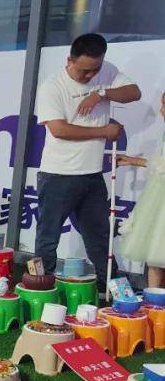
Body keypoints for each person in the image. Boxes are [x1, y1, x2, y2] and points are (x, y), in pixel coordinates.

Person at [34, 32, 141, 290]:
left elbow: (134, 92)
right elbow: (59, 129)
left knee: (100, 237)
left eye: (95, 70)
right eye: (84, 71)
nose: (90, 75)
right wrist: (104, 131)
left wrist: (101, 93)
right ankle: (41, 289)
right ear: (69, 60)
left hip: (92, 175)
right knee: (48, 238)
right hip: (58, 174)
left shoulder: (105, 72)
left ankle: (112, 290)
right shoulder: (52, 86)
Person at [116, 92, 165, 289]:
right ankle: (154, 301)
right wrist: (134, 160)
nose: (161, 111)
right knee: (155, 253)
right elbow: (160, 163)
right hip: (158, 195)